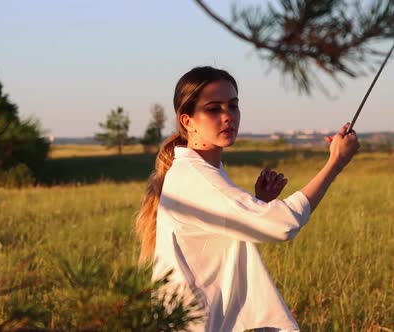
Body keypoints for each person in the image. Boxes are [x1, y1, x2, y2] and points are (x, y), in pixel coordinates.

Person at [134, 66, 360, 332]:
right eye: (213, 109)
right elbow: (283, 224)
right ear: (187, 121)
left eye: (233, 106)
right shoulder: (195, 176)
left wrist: (257, 203)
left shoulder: (202, 170)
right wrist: (335, 162)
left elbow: (218, 235)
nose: (227, 116)